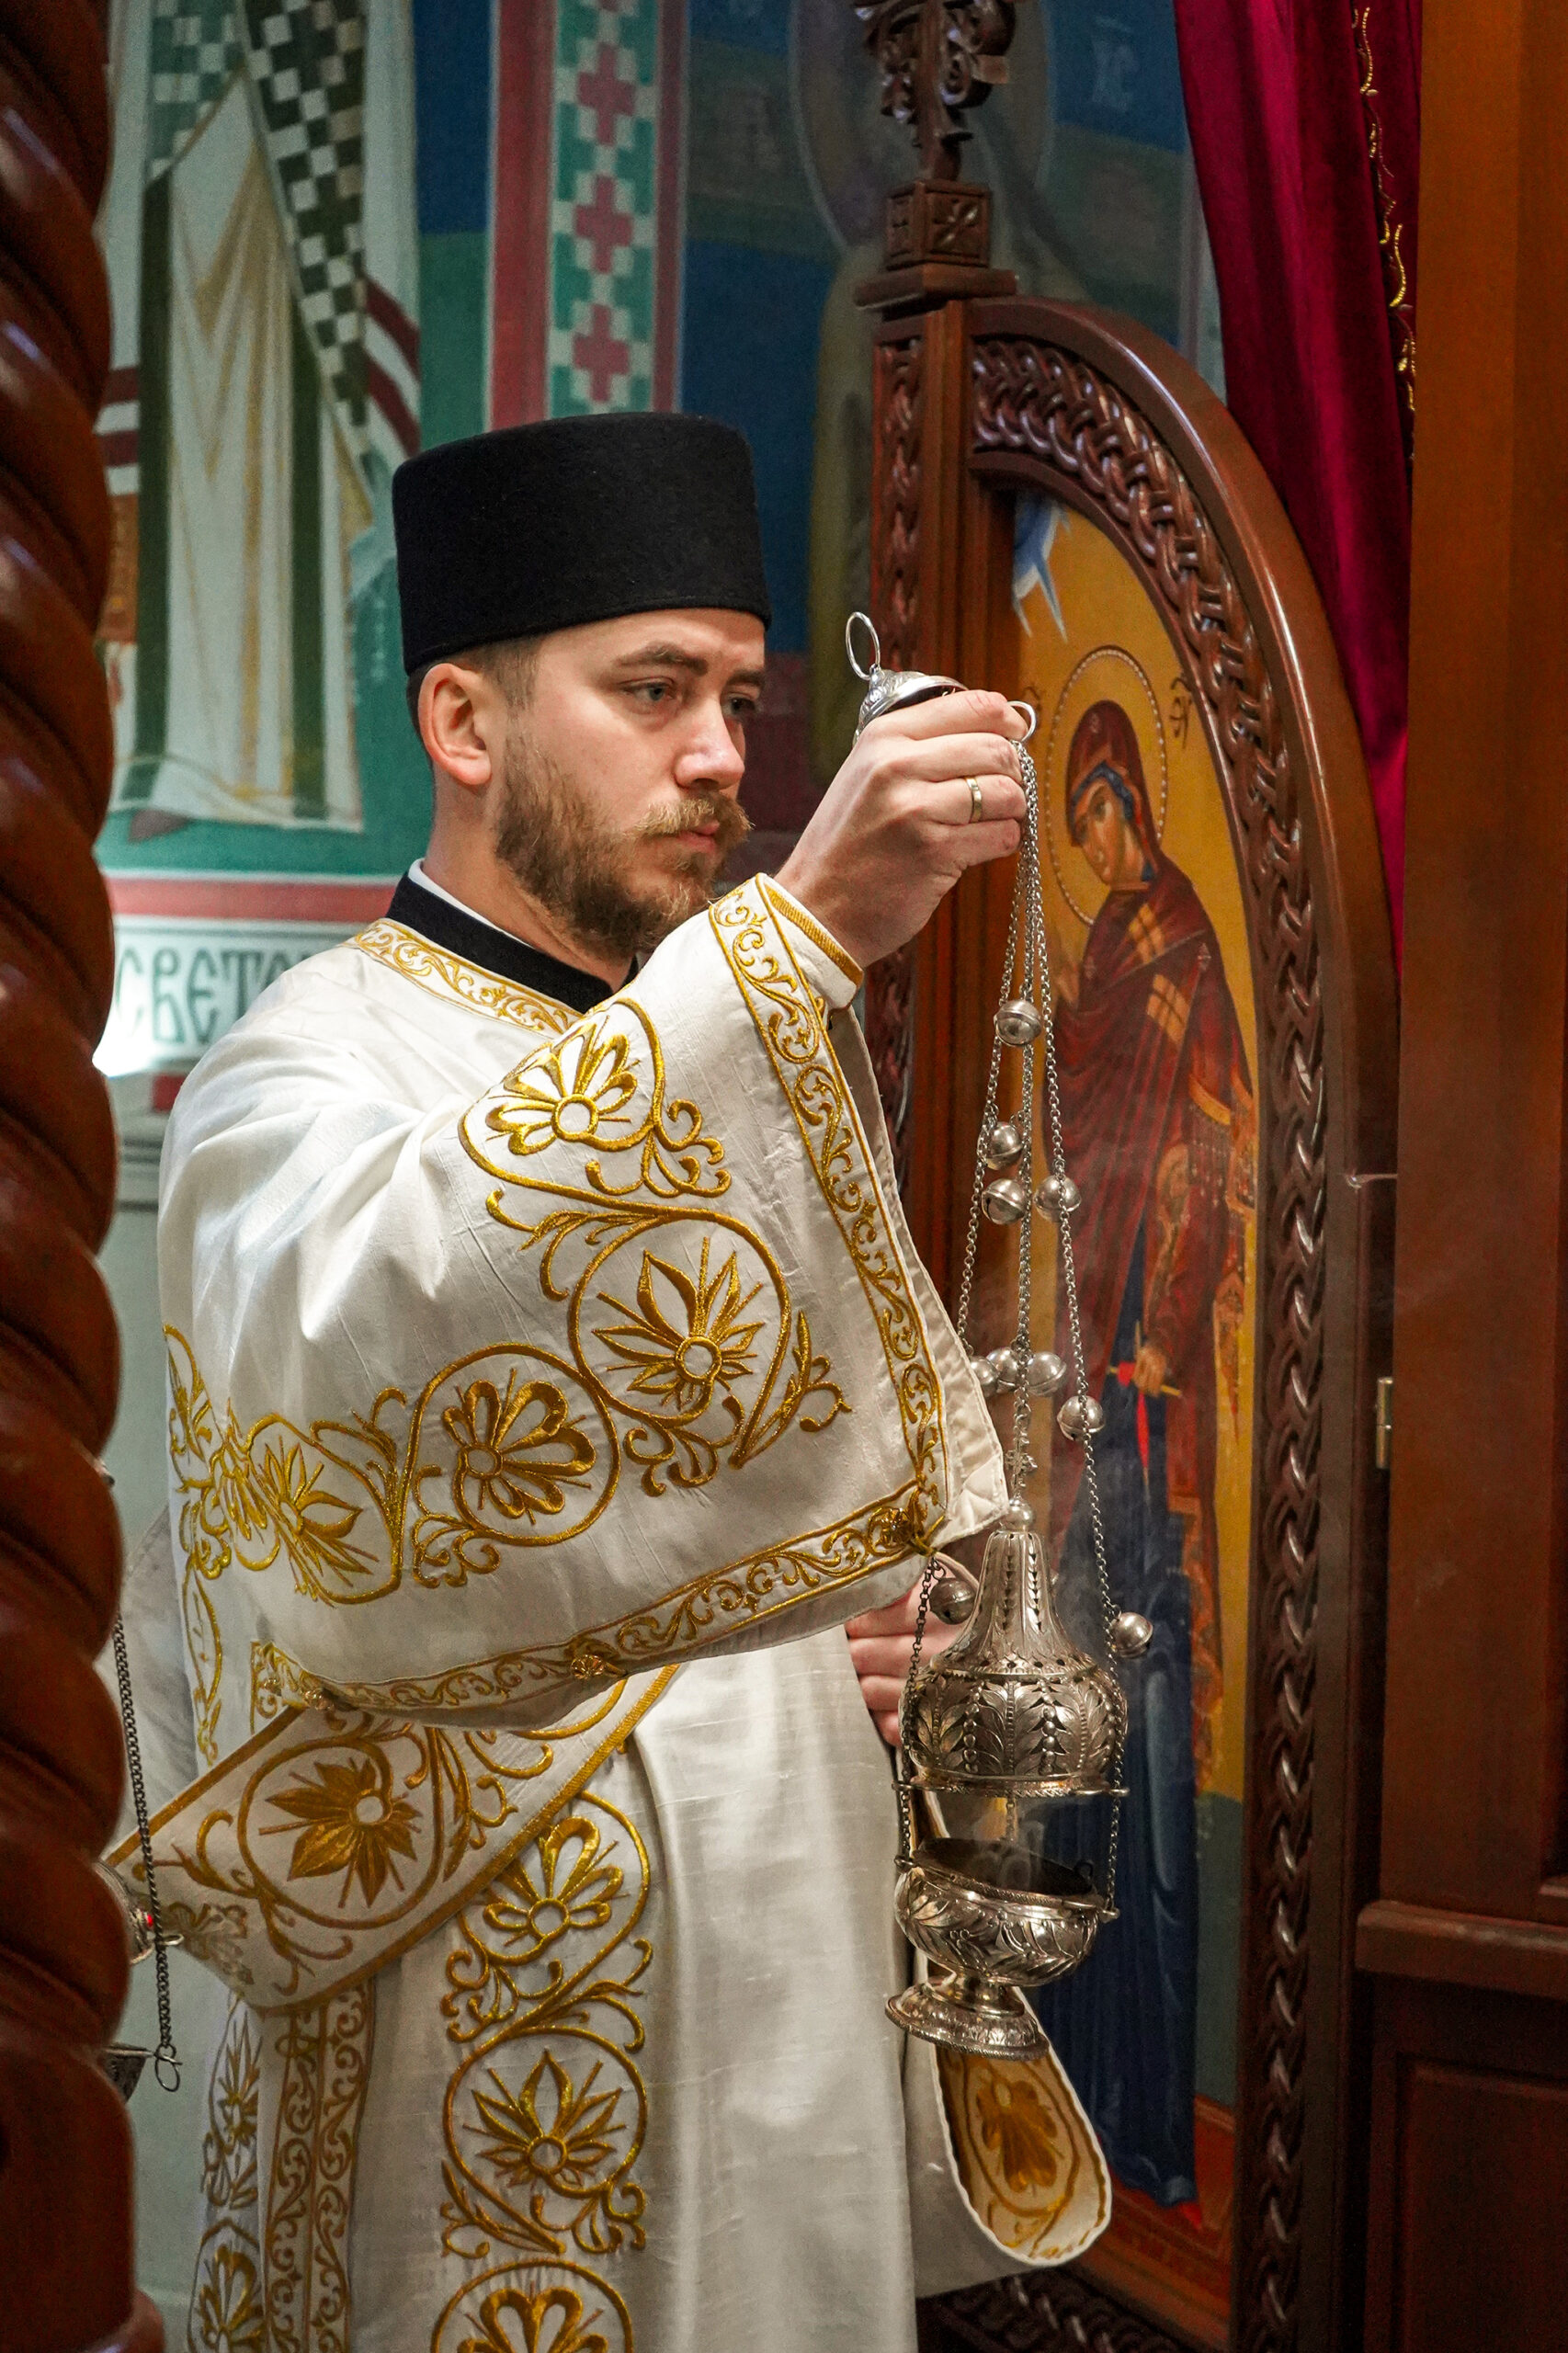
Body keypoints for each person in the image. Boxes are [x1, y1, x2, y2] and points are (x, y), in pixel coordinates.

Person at [115, 413, 1111, 2353]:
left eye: (738, 696)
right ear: (465, 723)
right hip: (464, 2059)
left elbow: (758, 1494)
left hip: (787, 1998)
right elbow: (374, 1385)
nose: (722, 755)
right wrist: (801, 937)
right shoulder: (303, 1069)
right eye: (652, 691)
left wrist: (864, 1625)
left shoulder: (736, 1055)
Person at [1032, 699, 1254, 2206]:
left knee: (1146, 1736)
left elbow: (1208, 1157)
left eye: (1106, 811)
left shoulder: (1180, 954)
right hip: (1075, 1389)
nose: (1100, 842)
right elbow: (1072, 1153)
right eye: (1080, 823)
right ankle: (1069, 2091)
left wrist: (1156, 1344)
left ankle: (1153, 2124)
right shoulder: (1103, 956)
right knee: (1069, 1741)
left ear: (1138, 803)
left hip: (1140, 1402)